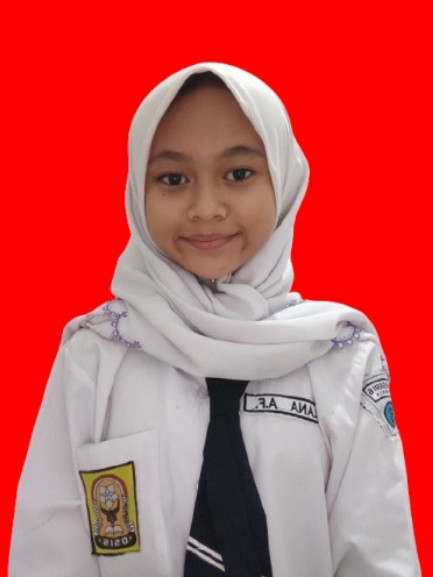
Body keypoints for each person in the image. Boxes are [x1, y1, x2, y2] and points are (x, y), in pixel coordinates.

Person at [9, 63, 421, 577]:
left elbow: (376, 553)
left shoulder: (340, 356)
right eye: (173, 178)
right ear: (138, 189)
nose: (206, 208)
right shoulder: (96, 353)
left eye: (239, 174)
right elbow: (49, 551)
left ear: (285, 179)